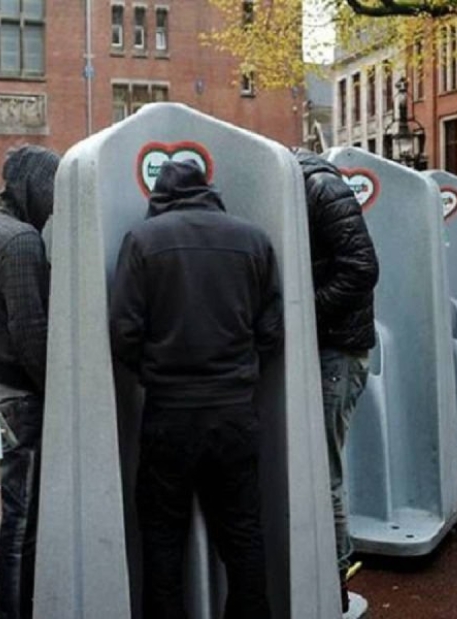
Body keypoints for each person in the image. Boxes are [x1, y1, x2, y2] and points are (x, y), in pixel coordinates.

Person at [110, 160, 283, 619]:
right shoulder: (253, 239)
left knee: (164, 539)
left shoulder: (142, 241)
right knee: (243, 534)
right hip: (234, 411)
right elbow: (272, 327)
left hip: (168, 412)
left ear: (160, 197)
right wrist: (242, 369)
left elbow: (123, 331)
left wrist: (154, 374)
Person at [0, 144, 60, 619]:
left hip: (6, 390)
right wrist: (61, 394)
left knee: (17, 516)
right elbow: (32, 334)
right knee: (23, 521)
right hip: (25, 399)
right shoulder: (23, 239)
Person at [293, 148, 379, 614]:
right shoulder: (305, 187)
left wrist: (304, 311)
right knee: (318, 465)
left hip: (337, 350)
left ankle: (335, 580)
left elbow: (362, 267)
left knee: (323, 470)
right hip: (326, 345)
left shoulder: (321, 187)